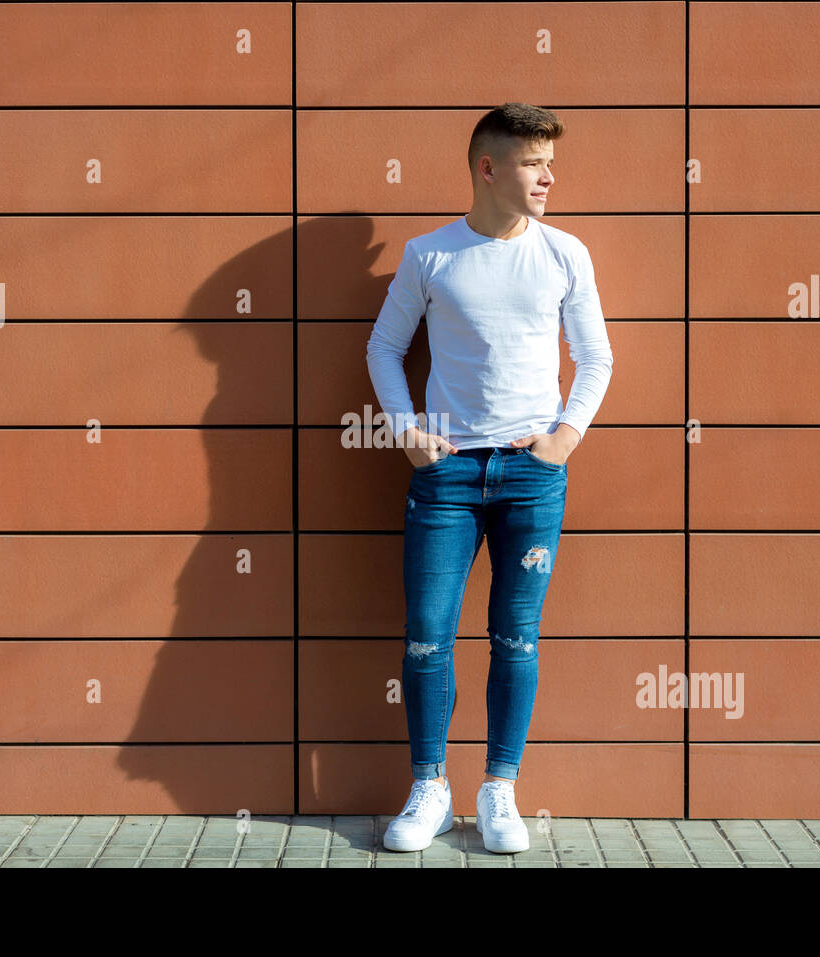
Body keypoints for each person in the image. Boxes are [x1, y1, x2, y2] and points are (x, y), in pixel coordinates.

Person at [365, 102, 613, 853]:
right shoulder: (430, 255)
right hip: (445, 479)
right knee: (427, 639)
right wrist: (406, 431)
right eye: (535, 163)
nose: (549, 176)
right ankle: (430, 789)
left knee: (516, 638)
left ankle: (500, 788)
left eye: (549, 163)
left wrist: (564, 438)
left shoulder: (565, 253)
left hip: (531, 477)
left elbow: (596, 357)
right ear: (488, 168)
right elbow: (383, 346)